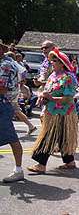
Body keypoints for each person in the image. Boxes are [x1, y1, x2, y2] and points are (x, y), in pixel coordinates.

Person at [27, 48, 79, 173]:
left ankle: (41, 164)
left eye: (54, 60)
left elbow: (67, 99)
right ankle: (69, 161)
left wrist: (50, 98)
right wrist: (42, 96)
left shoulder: (68, 78)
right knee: (62, 137)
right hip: (51, 111)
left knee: (48, 137)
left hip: (63, 113)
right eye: (51, 60)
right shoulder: (52, 76)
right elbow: (47, 90)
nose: (52, 63)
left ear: (62, 63)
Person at [0, 40, 24, 183]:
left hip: (2, 105)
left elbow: (2, 89)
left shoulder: (6, 65)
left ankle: (18, 170)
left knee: (12, 138)